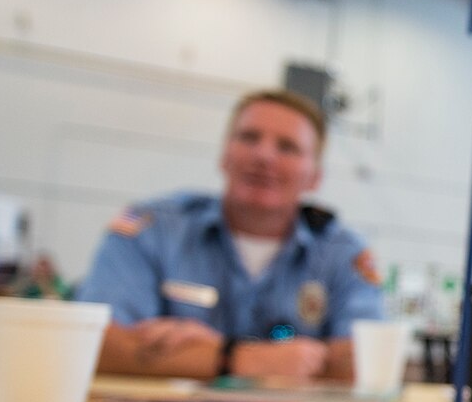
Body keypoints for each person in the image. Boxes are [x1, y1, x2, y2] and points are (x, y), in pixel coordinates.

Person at [80, 89, 384, 380]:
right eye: (249, 137)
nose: (264, 155)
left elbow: (365, 362)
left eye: (287, 147)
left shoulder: (343, 254)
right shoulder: (150, 231)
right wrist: (236, 358)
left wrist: (184, 356)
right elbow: (93, 345)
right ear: (224, 155)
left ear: (315, 176)